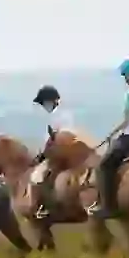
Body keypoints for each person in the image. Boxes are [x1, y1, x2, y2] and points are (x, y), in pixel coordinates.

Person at [93, 53, 129, 218]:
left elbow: (127, 120)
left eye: (124, 75)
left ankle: (108, 207)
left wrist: (110, 134)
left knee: (104, 166)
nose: (124, 78)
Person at [31, 85, 75, 218]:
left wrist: (43, 155)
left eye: (44, 103)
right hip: (67, 148)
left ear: (51, 101)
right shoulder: (64, 113)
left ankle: (45, 207)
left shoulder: (57, 116)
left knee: (39, 176)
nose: (44, 106)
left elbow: (54, 138)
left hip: (60, 152)